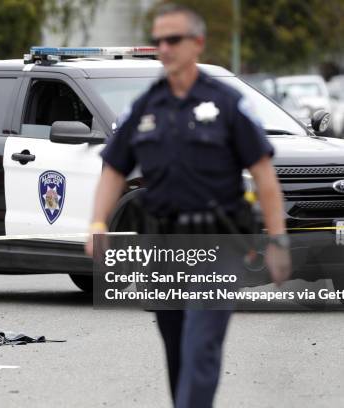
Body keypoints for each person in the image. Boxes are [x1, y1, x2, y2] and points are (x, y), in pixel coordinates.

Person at [85, 4, 292, 407]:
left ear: (197, 43)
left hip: (218, 245)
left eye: (173, 39)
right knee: (178, 352)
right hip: (162, 246)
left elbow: (264, 176)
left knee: (200, 350)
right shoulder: (145, 108)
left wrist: (278, 239)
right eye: (158, 40)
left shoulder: (228, 104)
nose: (164, 47)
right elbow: (113, 169)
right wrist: (97, 223)